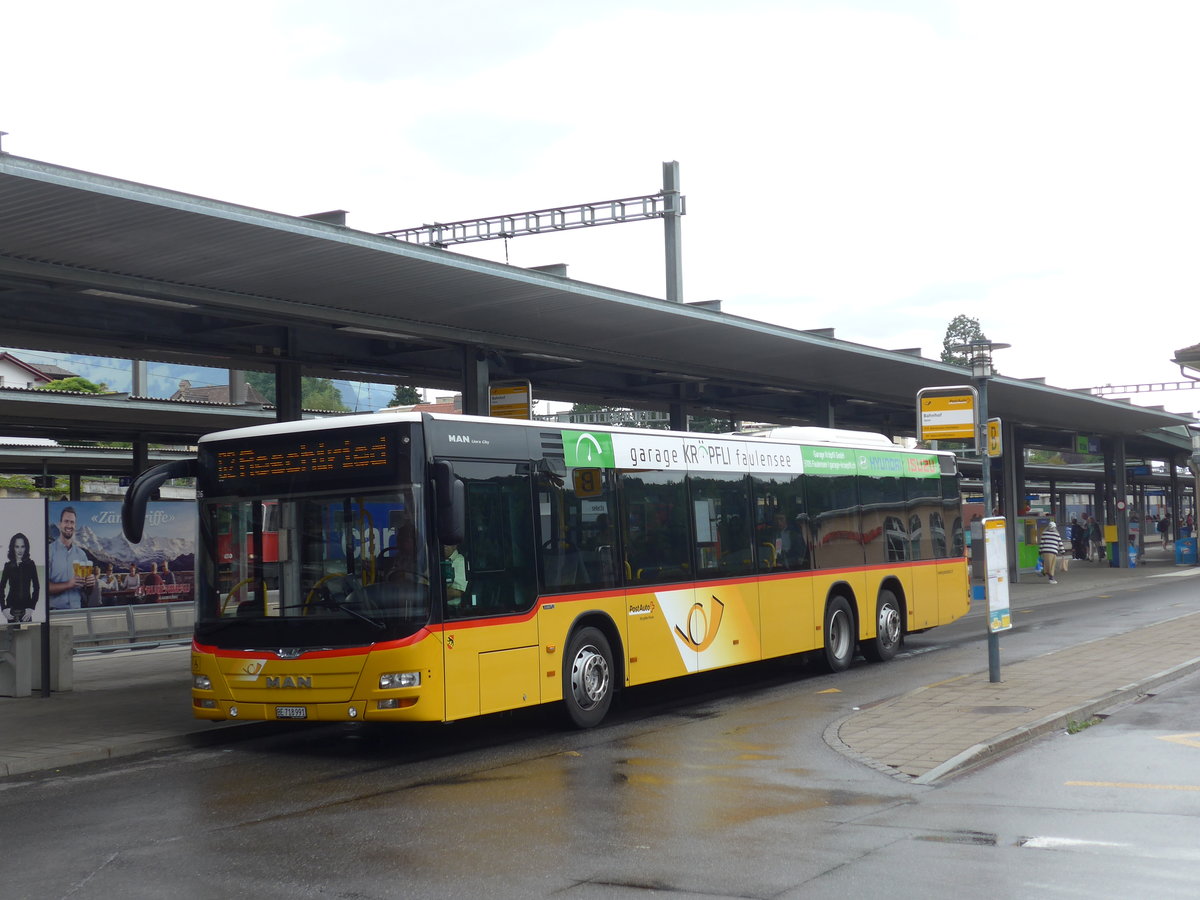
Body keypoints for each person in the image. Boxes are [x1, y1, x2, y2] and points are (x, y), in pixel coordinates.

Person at [47, 506, 96, 610]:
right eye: (66, 521)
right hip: (54, 613)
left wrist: (90, 584)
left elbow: (88, 592)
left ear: (75, 525)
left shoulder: (81, 554)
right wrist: (69, 584)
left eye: (72, 522)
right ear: (60, 524)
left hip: (77, 611)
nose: (69, 525)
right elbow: (43, 587)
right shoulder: (49, 551)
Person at [1, 532, 40, 623]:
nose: (20, 550)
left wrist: (31, 607)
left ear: (26, 548)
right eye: (17, 546)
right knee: (12, 632)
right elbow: (1, 587)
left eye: (22, 546)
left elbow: (36, 587)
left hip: (26, 610)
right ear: (13, 548)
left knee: (27, 632)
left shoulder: (31, 564)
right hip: (11, 610)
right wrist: (3, 608)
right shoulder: (8, 566)